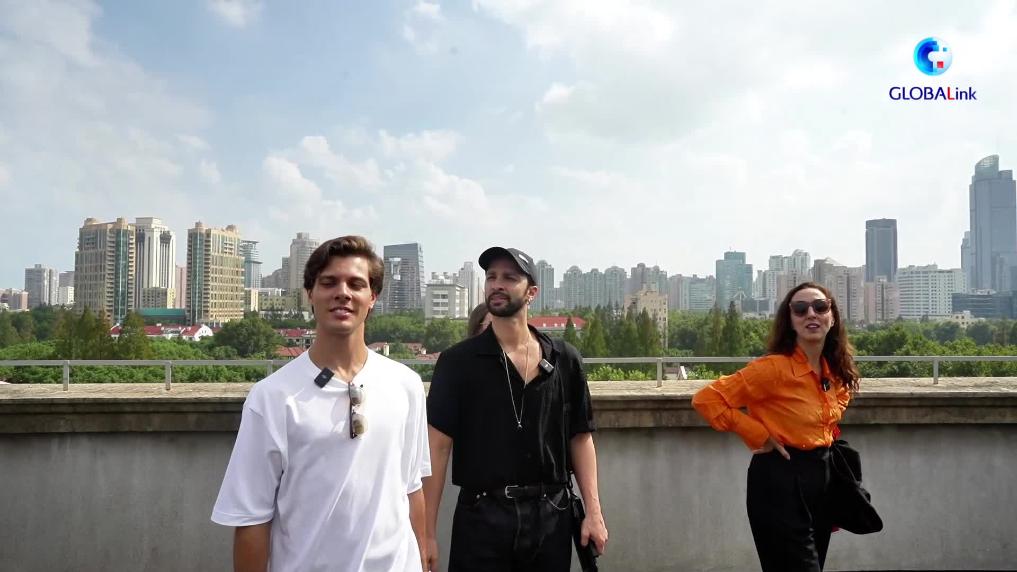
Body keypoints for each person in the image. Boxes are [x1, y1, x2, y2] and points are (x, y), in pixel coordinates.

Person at [211, 235, 431, 572]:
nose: (342, 292)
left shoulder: (406, 385)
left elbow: (411, 487)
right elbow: (252, 519)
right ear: (310, 294)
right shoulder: (272, 397)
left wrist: (423, 553)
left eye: (356, 284)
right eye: (329, 282)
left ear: (373, 297)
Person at [423, 246, 608, 571]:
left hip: (550, 517)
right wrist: (426, 533)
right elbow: (436, 449)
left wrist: (594, 512)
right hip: (482, 519)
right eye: (491, 277)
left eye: (509, 278)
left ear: (532, 292)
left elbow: (580, 437)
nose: (497, 284)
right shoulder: (457, 362)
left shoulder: (564, 359)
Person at [692, 282, 858, 572]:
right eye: (800, 309)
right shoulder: (773, 369)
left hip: (821, 480)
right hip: (780, 480)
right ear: (790, 320)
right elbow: (707, 399)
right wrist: (758, 434)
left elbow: (839, 402)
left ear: (832, 317)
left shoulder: (834, 371)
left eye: (820, 307)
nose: (811, 314)